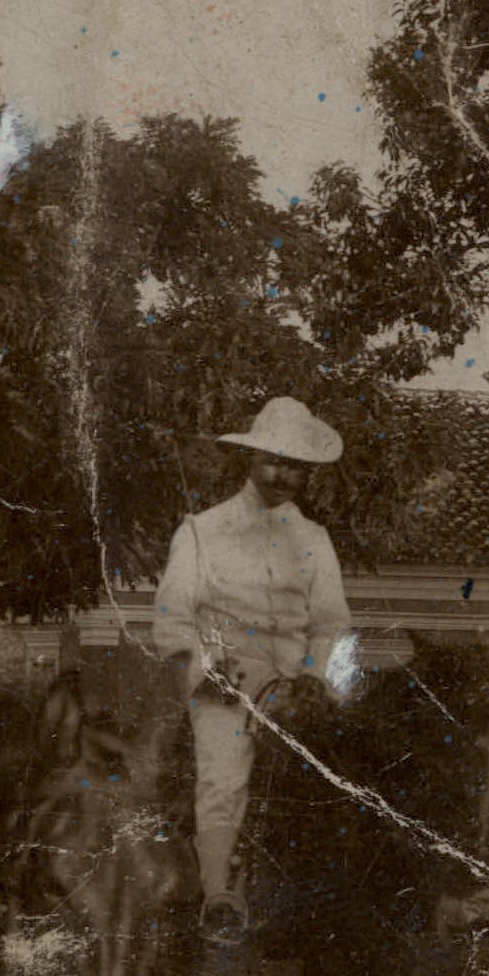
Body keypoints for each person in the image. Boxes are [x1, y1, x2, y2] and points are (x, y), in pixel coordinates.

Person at [152, 397, 354, 943]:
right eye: (274, 461)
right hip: (226, 681)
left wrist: (315, 676)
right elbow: (173, 618)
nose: (283, 475)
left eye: (296, 467)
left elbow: (332, 621)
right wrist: (205, 674)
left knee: (353, 765)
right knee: (225, 767)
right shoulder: (202, 530)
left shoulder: (313, 541)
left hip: (295, 682)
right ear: (252, 459)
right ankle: (220, 895)